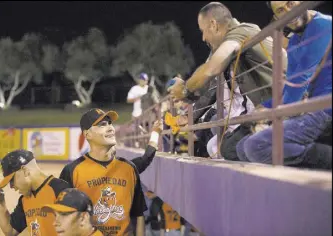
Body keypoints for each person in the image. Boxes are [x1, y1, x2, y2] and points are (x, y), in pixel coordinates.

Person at [169, 2, 285, 159]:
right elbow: (208, 87)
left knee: (227, 147)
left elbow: (211, 68)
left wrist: (184, 89)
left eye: (203, 31)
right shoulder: (225, 44)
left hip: (278, 108)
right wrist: (187, 107)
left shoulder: (242, 31)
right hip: (259, 111)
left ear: (214, 25)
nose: (203, 38)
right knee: (218, 144)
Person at [236, 1, 332, 169]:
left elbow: (301, 81)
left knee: (254, 147)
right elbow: (291, 87)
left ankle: (326, 157)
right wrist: (263, 107)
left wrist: (270, 116)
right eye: (281, 10)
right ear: (277, 17)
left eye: (290, 3)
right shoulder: (294, 40)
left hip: (325, 109)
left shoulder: (323, 25)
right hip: (310, 109)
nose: (289, 12)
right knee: (242, 148)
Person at [59, 108, 161, 235]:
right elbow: (63, 216)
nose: (110, 128)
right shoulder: (72, 171)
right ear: (87, 134)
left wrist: (156, 134)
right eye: (102, 125)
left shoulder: (129, 168)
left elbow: (138, 214)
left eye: (110, 123)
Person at [0, 149, 70, 236]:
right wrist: (0, 203)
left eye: (12, 180)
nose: (11, 186)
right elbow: (10, 231)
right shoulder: (24, 200)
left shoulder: (60, 190)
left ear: (25, 171)